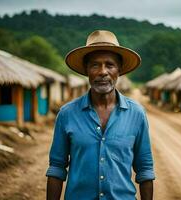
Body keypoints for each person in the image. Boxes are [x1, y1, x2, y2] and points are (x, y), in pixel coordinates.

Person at [46, 30, 155, 200]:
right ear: (86, 70)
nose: (102, 72)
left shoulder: (137, 114)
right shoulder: (67, 114)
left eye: (109, 65)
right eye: (95, 65)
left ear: (119, 70)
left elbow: (145, 170)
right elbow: (57, 169)